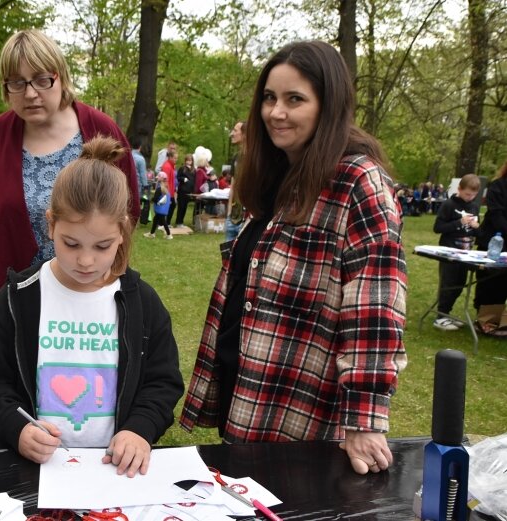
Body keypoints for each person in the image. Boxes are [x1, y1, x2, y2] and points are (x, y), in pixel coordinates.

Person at [179, 40, 407, 476]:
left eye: (294, 99)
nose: (275, 112)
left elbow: (375, 311)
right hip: (248, 390)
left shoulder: (357, 182)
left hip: (298, 413)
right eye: (269, 98)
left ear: (329, 105)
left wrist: (364, 419)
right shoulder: (278, 174)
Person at [0, 136, 183, 477]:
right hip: (35, 471)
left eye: (102, 246)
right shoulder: (19, 297)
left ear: (123, 232)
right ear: (51, 224)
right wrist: (16, 429)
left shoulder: (142, 303)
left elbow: (162, 382)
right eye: (71, 243)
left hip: (114, 472)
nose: (85, 260)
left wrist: (139, 428)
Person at [0, 29, 139, 361]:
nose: (30, 93)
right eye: (16, 82)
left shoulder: (101, 129)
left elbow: (126, 214)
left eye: (42, 79)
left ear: (61, 76)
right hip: (18, 299)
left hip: (86, 291)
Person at [431, 174, 480, 331]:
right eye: (467, 194)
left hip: (466, 252)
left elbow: (476, 232)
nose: (469, 198)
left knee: (459, 284)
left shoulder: (473, 206)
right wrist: (459, 222)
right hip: (449, 251)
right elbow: (438, 227)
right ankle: (441, 316)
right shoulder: (449, 205)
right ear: (459, 189)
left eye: (473, 195)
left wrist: (476, 227)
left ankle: (447, 314)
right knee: (448, 283)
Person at [474, 160, 507, 334]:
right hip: (494, 239)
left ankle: (499, 320)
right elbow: (496, 214)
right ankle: (484, 319)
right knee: (489, 280)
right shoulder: (498, 186)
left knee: (503, 283)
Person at [144, 172, 173, 239]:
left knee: (163, 221)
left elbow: (156, 198)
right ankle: (152, 233)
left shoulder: (159, 188)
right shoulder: (166, 188)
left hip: (160, 209)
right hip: (164, 208)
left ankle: (169, 235)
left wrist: (150, 199)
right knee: (155, 220)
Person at [174, 153, 195, 227]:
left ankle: (181, 222)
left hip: (189, 191)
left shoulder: (193, 170)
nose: (189, 162)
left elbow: (194, 180)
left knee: (185, 207)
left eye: (190, 160)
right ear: (185, 161)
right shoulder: (182, 168)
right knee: (181, 206)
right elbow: (178, 177)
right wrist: (183, 179)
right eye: (188, 160)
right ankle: (178, 222)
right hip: (182, 190)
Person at [159, 147, 177, 224]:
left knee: (171, 206)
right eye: (175, 158)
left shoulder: (171, 166)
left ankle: (165, 222)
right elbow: (165, 180)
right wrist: (167, 193)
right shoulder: (167, 166)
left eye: (177, 158)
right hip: (167, 191)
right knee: (168, 206)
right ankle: (163, 223)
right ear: (170, 157)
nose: (176, 159)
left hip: (171, 191)